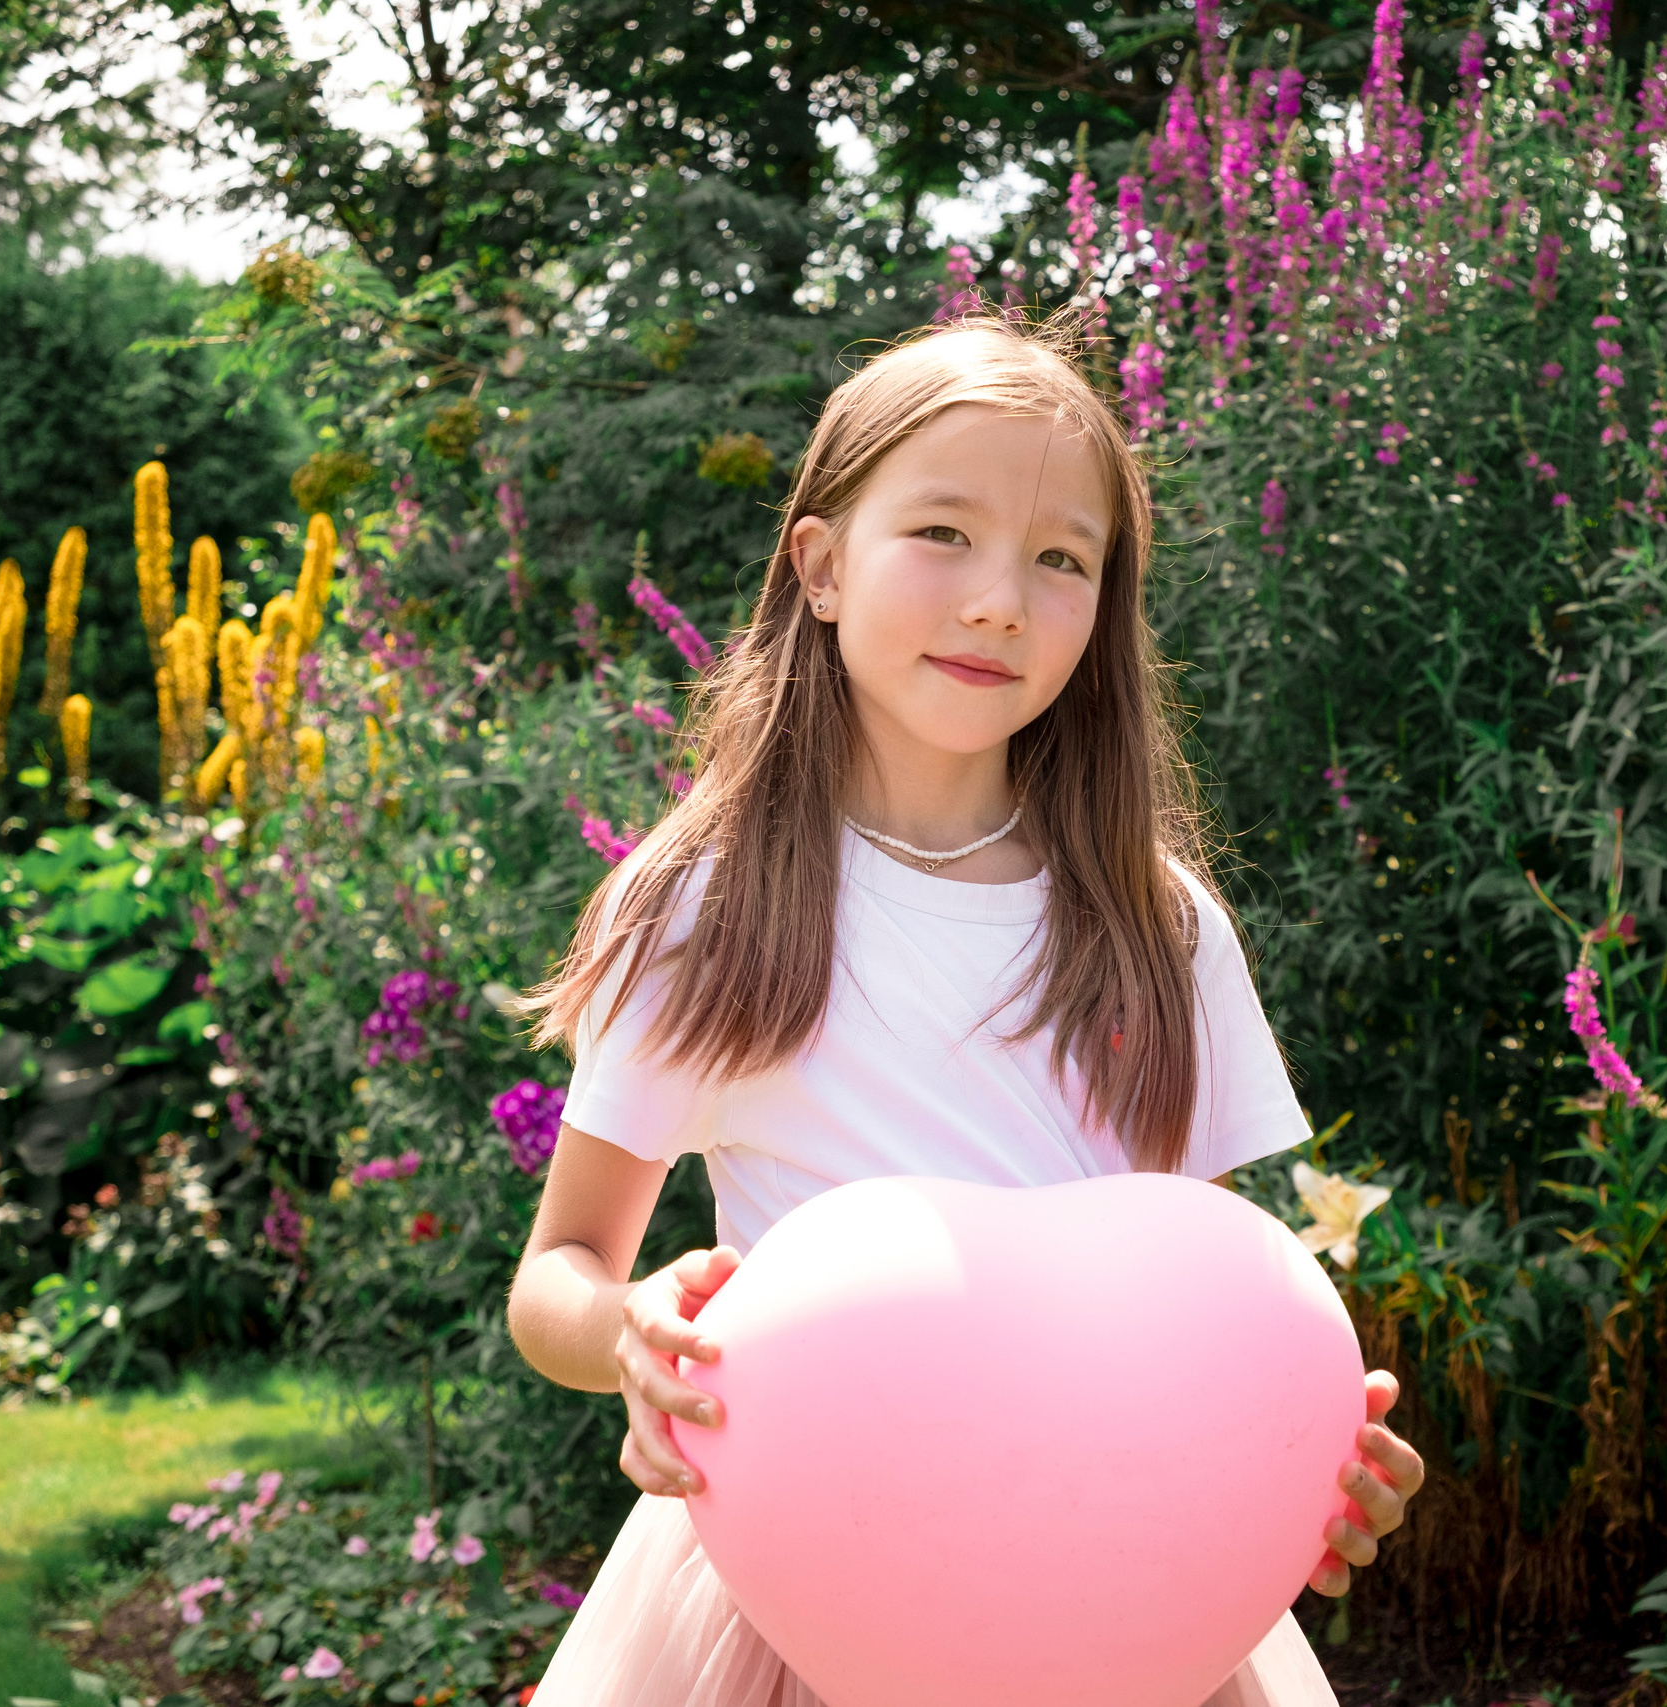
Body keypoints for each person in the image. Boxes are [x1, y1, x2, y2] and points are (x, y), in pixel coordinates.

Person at [506, 315, 1424, 1706]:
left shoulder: (1162, 929)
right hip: (800, 1586)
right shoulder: (705, 904)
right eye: (942, 532)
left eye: (1062, 558)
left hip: (1120, 1593)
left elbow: (1194, 1301)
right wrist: (633, 1326)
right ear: (819, 565)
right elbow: (556, 1274)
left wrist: (1299, 1454)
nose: (1001, 599)